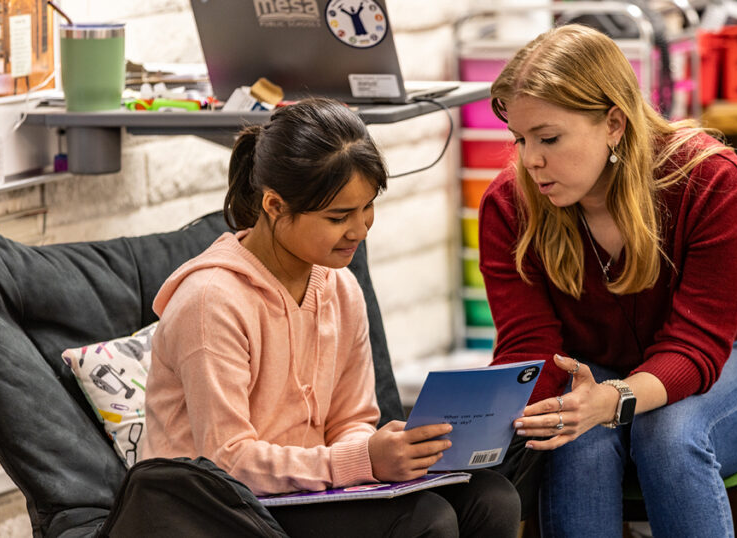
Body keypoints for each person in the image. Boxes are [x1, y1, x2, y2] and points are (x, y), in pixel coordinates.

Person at [143, 98, 520, 537]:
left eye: (367, 208)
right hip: (214, 509)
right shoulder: (210, 302)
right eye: (339, 216)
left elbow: (351, 420)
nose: (360, 230)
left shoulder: (340, 289)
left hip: (305, 491)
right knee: (424, 521)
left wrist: (382, 455)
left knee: (492, 498)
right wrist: (361, 462)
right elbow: (227, 461)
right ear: (274, 205)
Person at [479, 25, 737, 537]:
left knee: (667, 432)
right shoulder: (510, 205)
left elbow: (698, 345)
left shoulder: (712, 180)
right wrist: (485, 420)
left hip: (723, 370)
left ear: (614, 124)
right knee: (574, 437)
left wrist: (613, 397)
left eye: (549, 138)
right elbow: (531, 347)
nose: (530, 160)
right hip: (590, 375)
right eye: (521, 139)